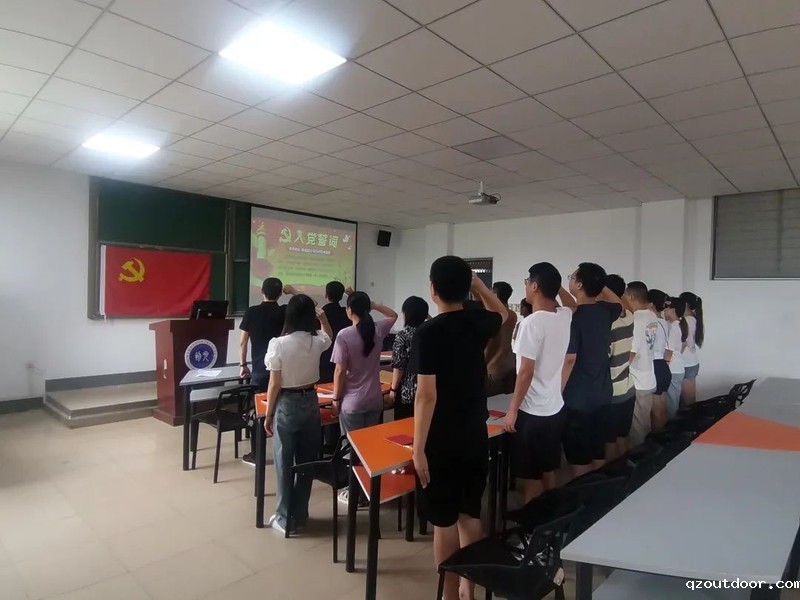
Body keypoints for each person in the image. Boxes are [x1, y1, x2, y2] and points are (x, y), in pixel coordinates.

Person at [411, 256, 507, 600]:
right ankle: (469, 587)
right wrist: (479, 286)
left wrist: (417, 448)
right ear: (466, 288)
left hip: (440, 440)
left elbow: (426, 396)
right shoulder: (478, 321)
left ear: (433, 290)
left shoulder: (427, 333)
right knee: (469, 513)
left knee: (444, 521)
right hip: (474, 434)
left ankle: (449, 594)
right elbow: (502, 313)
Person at [263, 295, 333, 534]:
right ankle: (301, 516)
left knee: (284, 462)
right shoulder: (316, 340)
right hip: (311, 401)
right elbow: (329, 337)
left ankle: (284, 518)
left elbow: (274, 384)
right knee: (306, 462)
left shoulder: (278, 344)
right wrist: (324, 319)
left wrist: (268, 414)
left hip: (287, 403)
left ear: (289, 315)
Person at [504, 262, 571, 502]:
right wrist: (556, 286)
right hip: (554, 407)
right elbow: (572, 304)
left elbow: (525, 372)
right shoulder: (564, 316)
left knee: (531, 478)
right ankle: (552, 515)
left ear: (534, 286)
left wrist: (512, 410)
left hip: (532, 413)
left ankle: (532, 522)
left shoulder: (530, 323)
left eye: (527, 282)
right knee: (548, 469)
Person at [561, 262, 622, 478]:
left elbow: (570, 360)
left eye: (571, 277)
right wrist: (599, 282)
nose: (569, 280)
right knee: (597, 453)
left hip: (578, 398)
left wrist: (557, 393)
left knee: (580, 459)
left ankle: (582, 496)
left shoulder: (574, 318)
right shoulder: (606, 311)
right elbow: (618, 302)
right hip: (602, 394)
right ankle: (598, 495)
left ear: (579, 284)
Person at [238, 277, 288, 465]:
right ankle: (283, 451)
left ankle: (256, 454)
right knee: (281, 409)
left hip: (259, 369)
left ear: (261, 291)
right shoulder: (284, 311)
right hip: (280, 369)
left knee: (258, 412)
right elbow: (310, 305)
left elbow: (243, 342)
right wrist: (293, 291)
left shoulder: (251, 312)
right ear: (280, 293)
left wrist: (243, 365)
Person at [605, 274, 635, 461]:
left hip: (612, 390)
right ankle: (624, 473)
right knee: (622, 438)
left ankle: (610, 476)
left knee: (609, 442)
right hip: (627, 387)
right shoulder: (629, 317)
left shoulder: (609, 323)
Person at [624, 281, 658, 445]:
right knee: (644, 425)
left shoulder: (636, 319)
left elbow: (632, 353)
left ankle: (639, 458)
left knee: (637, 431)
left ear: (630, 297)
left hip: (637, 381)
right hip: (648, 377)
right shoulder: (652, 315)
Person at [389, 296, 429, 420]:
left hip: (408, 392)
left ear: (406, 314)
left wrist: (393, 389)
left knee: (404, 427)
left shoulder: (402, 336)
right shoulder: (431, 333)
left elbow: (399, 367)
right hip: (429, 389)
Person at [484, 282, 518, 397]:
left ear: (496, 295)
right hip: (510, 365)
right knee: (505, 403)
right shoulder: (513, 315)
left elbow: (488, 346)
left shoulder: (492, 317)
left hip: (494, 368)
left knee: (491, 404)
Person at [647, 289, 672, 431]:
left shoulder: (651, 322)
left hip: (654, 367)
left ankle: (658, 440)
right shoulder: (664, 322)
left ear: (650, 304)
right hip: (663, 366)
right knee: (661, 409)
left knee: (655, 413)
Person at [318, 281, 351, 384]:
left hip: (325, 357)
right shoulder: (347, 313)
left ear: (326, 295)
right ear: (341, 297)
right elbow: (361, 308)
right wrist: (352, 294)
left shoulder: (320, 314)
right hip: (344, 356)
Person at [664, 296, 688, 419]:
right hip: (679, 367)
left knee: (671, 403)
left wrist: (664, 367)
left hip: (672, 369)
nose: (664, 310)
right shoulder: (681, 324)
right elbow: (684, 345)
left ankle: (672, 425)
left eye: (666, 308)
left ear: (673, 310)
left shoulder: (673, 327)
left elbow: (669, 351)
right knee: (675, 399)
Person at [679, 292, 704, 405]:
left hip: (686, 363)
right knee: (689, 399)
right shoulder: (694, 319)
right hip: (691, 361)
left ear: (686, 304)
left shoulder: (686, 320)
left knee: (687, 401)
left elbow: (684, 343)